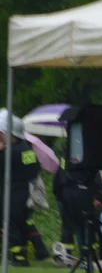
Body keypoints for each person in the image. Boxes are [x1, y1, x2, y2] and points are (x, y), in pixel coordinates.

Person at [0, 112, 42, 265]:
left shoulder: (9, 152)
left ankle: (19, 258)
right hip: (25, 193)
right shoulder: (28, 150)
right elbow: (35, 170)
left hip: (12, 194)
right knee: (22, 224)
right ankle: (23, 256)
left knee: (11, 226)